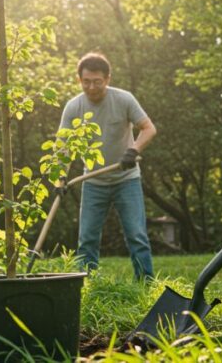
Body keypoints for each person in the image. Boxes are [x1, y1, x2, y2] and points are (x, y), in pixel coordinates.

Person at [58, 53, 158, 281]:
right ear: (79, 80)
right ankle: (86, 285)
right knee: (87, 240)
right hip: (93, 182)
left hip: (127, 179)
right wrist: (60, 178)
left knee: (137, 235)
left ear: (108, 79)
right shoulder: (74, 107)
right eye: (86, 81)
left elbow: (148, 128)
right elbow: (63, 146)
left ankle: (145, 284)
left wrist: (133, 150)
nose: (91, 87)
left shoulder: (123, 100)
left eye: (97, 81)